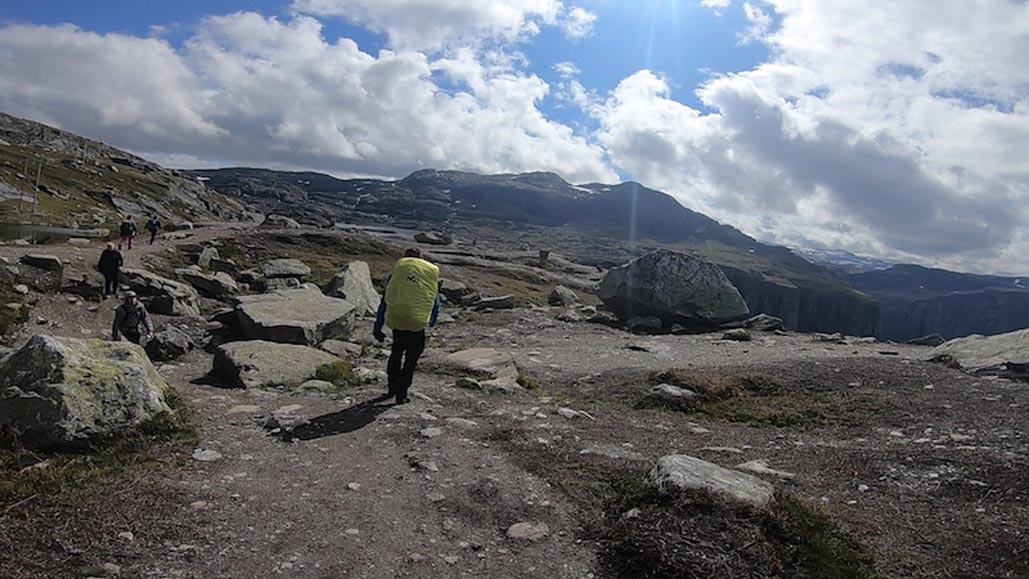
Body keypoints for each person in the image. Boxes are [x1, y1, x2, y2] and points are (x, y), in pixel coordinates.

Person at [373, 248, 441, 405]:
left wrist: (378, 327)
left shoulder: (396, 275)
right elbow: (434, 301)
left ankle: (392, 388)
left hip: (397, 320)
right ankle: (402, 393)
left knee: (396, 353)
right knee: (411, 359)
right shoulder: (427, 275)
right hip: (416, 324)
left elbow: (385, 301)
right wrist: (432, 321)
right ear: (420, 259)